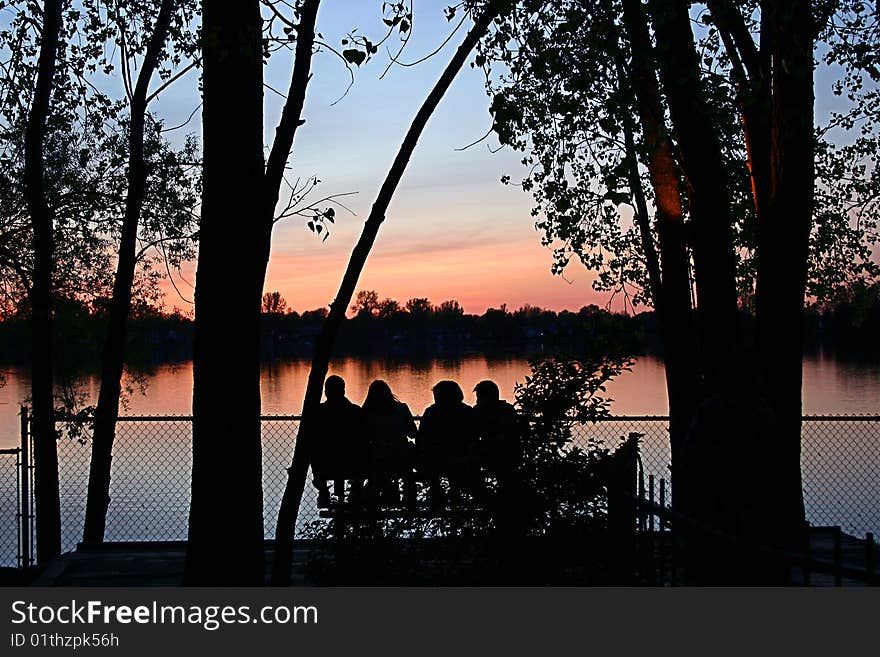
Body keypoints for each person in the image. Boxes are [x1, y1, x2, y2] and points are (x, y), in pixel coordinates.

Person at [417, 380, 479, 506]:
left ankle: (438, 495)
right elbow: (474, 436)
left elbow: (421, 437)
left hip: (438, 459)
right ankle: (457, 499)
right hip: (462, 457)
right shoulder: (467, 411)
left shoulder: (431, 412)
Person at [311, 375, 365, 508]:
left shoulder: (318, 412)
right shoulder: (355, 411)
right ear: (344, 391)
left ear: (326, 392)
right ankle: (355, 490)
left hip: (325, 465)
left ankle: (323, 491)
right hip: (353, 464)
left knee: (314, 449)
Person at [362, 380, 417, 505]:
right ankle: (409, 495)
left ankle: (375, 496)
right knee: (408, 454)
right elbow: (412, 433)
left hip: (377, 458)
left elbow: (363, 437)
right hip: (401, 457)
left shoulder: (366, 413)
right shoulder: (402, 409)